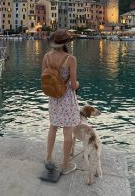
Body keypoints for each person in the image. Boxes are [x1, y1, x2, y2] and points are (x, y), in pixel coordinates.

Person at [42, 29, 80, 174]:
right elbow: (74, 85)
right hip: (67, 99)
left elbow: (43, 77)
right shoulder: (70, 59)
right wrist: (78, 84)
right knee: (67, 131)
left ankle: (48, 157)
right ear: (66, 43)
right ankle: (65, 164)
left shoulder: (46, 57)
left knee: (53, 127)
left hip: (54, 97)